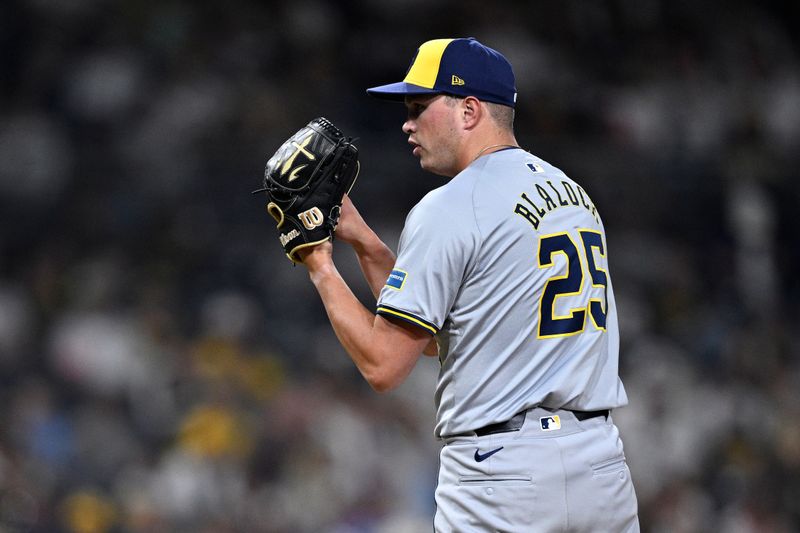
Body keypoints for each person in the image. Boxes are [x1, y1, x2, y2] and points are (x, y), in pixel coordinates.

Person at [298, 37, 639, 531]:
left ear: (470, 110)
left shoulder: (451, 204)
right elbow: (445, 336)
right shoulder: (572, 192)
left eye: (419, 107)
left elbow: (385, 365)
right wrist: (365, 242)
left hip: (504, 474)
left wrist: (320, 265)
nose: (407, 123)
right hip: (601, 467)